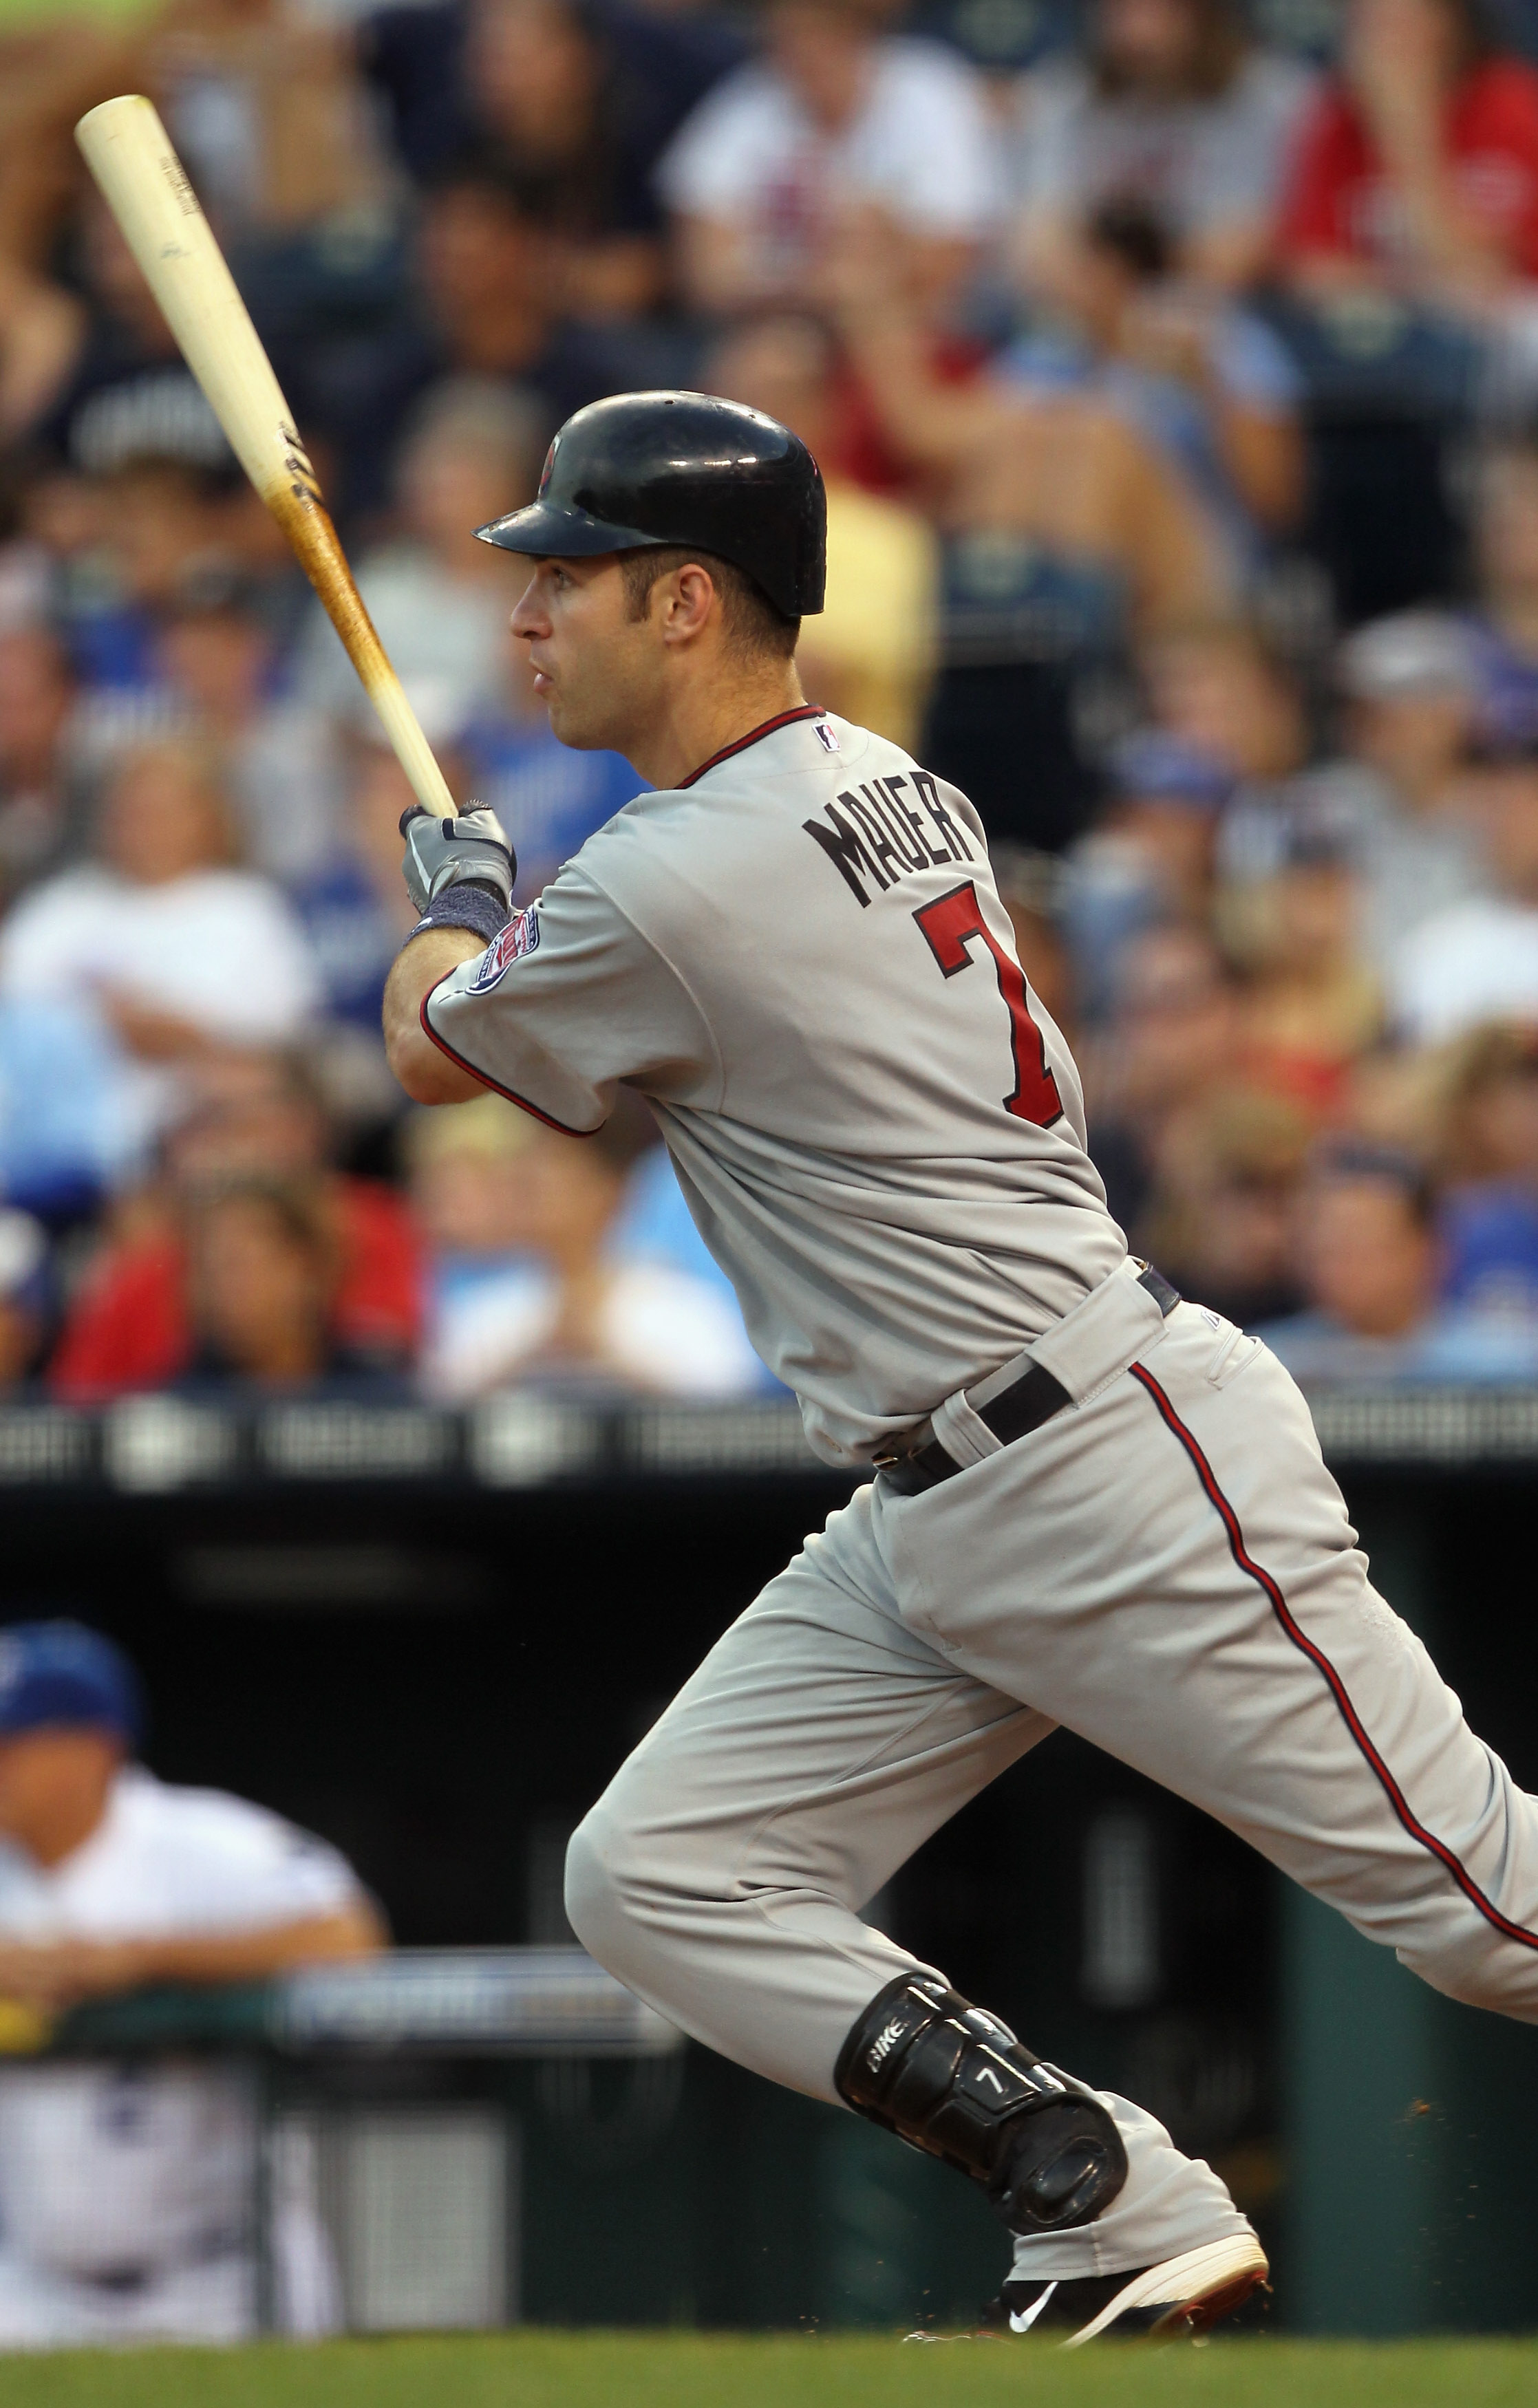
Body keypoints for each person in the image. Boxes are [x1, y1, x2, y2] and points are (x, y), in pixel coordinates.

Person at [381, 387, 1538, 2346]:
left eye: (565, 574)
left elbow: (432, 1048)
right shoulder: (868, 774)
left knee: (1493, 1914)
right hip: (941, 1497)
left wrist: (460, 909)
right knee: (658, 1873)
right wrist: (511, 920)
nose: (525, 615)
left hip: (1103, 1455)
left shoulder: (674, 878)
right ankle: (1106, 2196)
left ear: (685, 600)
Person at [0, 1620, 381, 2345]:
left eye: (11, 1740)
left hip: (221, 2279)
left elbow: (349, 1939)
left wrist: (147, 1958)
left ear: (94, 1746)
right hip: (33, 2287)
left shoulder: (199, 1840)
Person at [0, 739, 321, 1168]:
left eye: (165, 810)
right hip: (58, 1138)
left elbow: (287, 1042)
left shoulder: (248, 909)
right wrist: (94, 1024)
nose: (146, 826)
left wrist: (183, 1035)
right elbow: (18, 1015)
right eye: (131, 811)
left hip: (204, 1135)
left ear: (211, 817)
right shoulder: (60, 910)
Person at [659, 0, 1003, 316]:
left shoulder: (930, 89)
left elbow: (953, 256)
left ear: (856, 32)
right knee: (776, 361)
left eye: (820, 31)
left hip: (920, 320)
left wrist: (876, 250)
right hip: (778, 324)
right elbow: (705, 274)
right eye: (787, 36)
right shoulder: (745, 102)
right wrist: (807, 281)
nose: (804, 50)